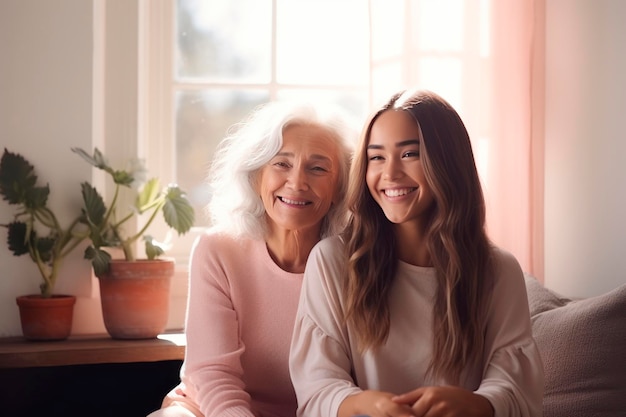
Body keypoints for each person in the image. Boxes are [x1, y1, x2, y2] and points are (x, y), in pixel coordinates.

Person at [289, 90, 544, 417]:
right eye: (377, 157)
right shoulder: (332, 261)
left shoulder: (498, 270)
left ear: (448, 163)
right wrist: (363, 404)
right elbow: (317, 388)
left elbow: (518, 388)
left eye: (410, 154)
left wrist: (479, 403)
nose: (390, 173)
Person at [147, 100, 357, 417]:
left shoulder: (353, 261)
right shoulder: (218, 250)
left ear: (340, 188)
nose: (297, 182)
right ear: (257, 176)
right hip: (209, 409)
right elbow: (214, 377)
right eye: (281, 164)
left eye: (317, 168)